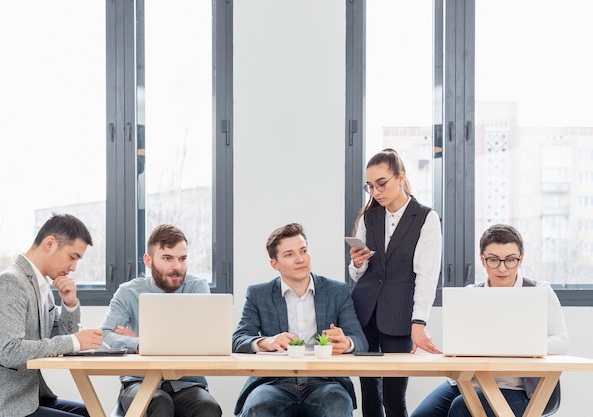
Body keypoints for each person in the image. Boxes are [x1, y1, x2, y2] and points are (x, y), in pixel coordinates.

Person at [410, 224, 569, 417]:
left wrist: (522, 346)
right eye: (493, 260)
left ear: (521, 259)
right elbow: (458, 343)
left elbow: (561, 341)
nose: (502, 268)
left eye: (510, 260)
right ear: (482, 260)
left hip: (521, 390)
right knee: (422, 415)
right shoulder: (470, 294)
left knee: (462, 409)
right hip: (469, 381)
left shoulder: (540, 292)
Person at [0, 213, 103, 417]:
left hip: (27, 396)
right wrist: (75, 341)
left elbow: (60, 336)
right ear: (50, 243)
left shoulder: (43, 287)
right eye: (72, 257)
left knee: (93, 413)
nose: (73, 267)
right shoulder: (9, 283)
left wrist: (70, 304)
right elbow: (11, 352)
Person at [232, 222, 368, 417]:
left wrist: (347, 343)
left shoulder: (337, 291)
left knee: (337, 406)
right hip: (274, 382)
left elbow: (360, 339)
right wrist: (266, 342)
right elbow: (238, 340)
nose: (300, 259)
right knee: (257, 408)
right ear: (275, 264)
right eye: (289, 254)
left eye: (303, 251)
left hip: (325, 381)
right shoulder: (258, 294)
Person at [348, 148, 443, 417]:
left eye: (381, 184)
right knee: (369, 393)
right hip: (364, 312)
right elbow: (360, 274)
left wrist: (419, 322)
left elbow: (426, 275)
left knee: (393, 395)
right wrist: (357, 263)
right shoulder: (370, 217)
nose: (376, 192)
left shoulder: (425, 218)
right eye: (370, 186)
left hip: (400, 315)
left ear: (400, 177)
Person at [100, 224, 222, 417]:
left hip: (187, 383)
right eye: (167, 258)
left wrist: (146, 343)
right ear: (148, 260)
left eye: (182, 259)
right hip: (138, 382)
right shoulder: (128, 292)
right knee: (160, 403)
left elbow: (201, 339)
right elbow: (104, 336)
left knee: (208, 408)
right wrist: (140, 343)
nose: (177, 267)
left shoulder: (197, 288)